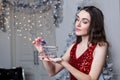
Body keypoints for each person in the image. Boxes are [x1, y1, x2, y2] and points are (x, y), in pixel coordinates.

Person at [32, 6, 109, 80]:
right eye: (77, 19)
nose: (78, 24)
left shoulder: (101, 46)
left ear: (94, 26)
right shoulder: (73, 47)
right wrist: (42, 52)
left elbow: (92, 79)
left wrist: (63, 63)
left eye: (84, 22)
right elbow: (52, 71)